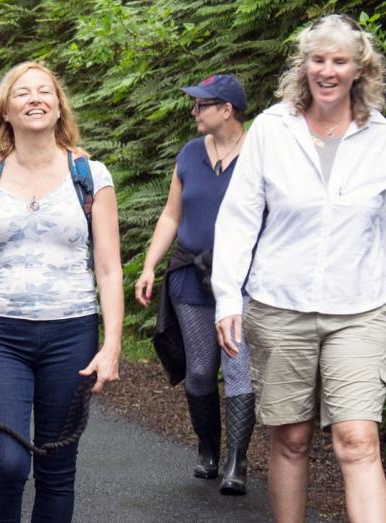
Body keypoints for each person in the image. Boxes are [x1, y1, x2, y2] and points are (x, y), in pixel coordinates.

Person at [211, 14, 386, 523]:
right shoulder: (273, 130)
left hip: (360, 306)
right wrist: (228, 299)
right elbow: (238, 218)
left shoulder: (382, 136)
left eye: (339, 61)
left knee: (358, 441)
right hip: (280, 303)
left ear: (359, 70)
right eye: (318, 59)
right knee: (292, 438)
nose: (327, 70)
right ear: (304, 66)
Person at [0, 61, 123, 522]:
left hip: (71, 332)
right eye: (22, 93)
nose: (35, 98)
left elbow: (109, 269)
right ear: (4, 112)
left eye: (44, 92)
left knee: (56, 469)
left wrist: (112, 344)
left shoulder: (91, 175)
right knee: (8, 465)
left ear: (58, 108)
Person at [135, 74, 256, 495]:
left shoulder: (260, 154)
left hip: (241, 281)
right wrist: (150, 265)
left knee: (239, 368)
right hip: (190, 275)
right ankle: (208, 449)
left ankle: (237, 463)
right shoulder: (189, 154)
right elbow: (171, 215)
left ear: (227, 110)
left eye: (202, 104)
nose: (193, 111)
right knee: (201, 370)